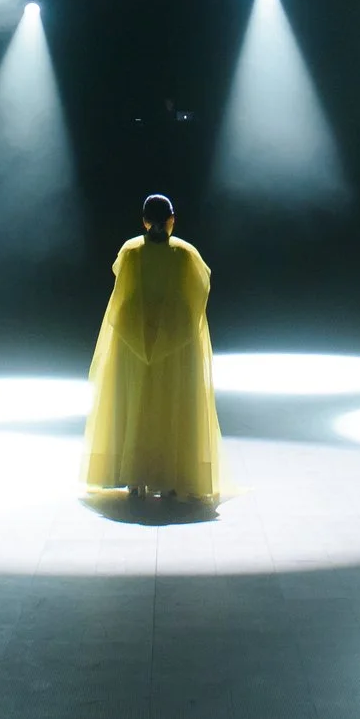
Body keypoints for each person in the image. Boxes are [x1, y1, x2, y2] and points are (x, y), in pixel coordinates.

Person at [82, 193, 223, 502]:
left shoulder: (131, 252)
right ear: (172, 219)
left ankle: (134, 478)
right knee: (170, 402)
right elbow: (199, 292)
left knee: (135, 401)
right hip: (176, 337)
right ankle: (171, 476)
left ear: (144, 221)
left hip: (134, 337)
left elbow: (122, 295)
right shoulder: (185, 254)